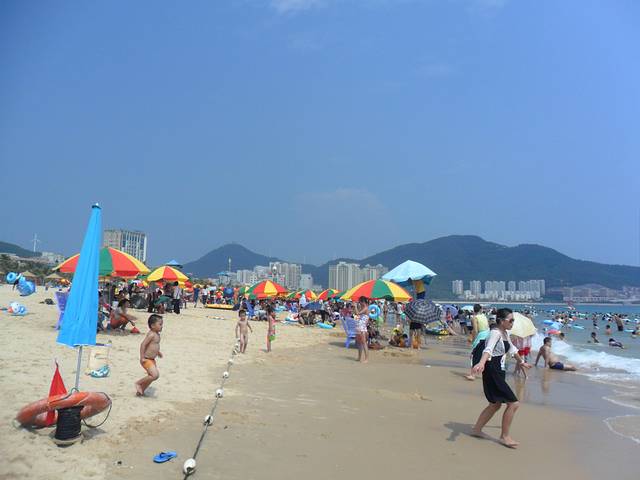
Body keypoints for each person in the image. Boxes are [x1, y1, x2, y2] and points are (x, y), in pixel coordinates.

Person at [471, 308, 531, 448]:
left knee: (495, 404)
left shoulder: (505, 333)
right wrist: (481, 363)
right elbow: (488, 349)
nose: (512, 323)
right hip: (492, 369)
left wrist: (521, 362)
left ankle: (476, 430)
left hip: (499, 370)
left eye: (513, 320)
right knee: (513, 403)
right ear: (501, 321)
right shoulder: (495, 333)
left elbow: (512, 350)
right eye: (511, 320)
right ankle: (505, 436)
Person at [135, 315, 163, 396]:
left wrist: (158, 352)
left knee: (151, 377)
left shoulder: (157, 334)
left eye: (162, 324)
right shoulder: (151, 335)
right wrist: (142, 357)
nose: (162, 326)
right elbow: (143, 345)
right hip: (146, 359)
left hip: (152, 360)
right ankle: (138, 383)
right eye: (160, 324)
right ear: (153, 325)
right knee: (155, 375)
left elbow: (153, 345)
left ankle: (141, 391)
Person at [465, 304, 490, 381]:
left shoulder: (474, 318)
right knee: (484, 355)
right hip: (487, 335)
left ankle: (472, 374)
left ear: (474, 310)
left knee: (475, 355)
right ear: (480, 310)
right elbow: (487, 326)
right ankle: (484, 373)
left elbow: (475, 330)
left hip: (481, 336)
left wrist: (473, 340)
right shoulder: (484, 316)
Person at [355, 297, 369, 363]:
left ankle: (366, 359)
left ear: (363, 302)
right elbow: (357, 315)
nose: (359, 303)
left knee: (364, 343)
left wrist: (355, 306)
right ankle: (359, 357)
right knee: (359, 343)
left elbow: (357, 313)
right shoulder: (362, 308)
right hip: (360, 326)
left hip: (362, 328)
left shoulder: (365, 308)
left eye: (360, 302)